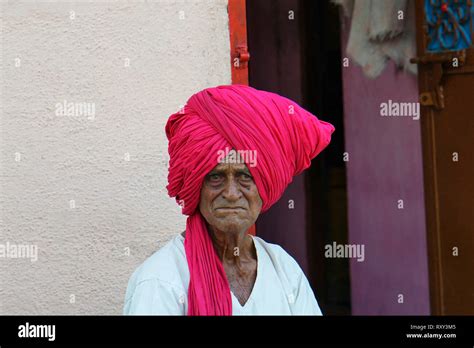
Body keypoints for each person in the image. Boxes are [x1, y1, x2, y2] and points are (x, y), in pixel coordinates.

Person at [123, 85, 334, 315]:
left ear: (264, 186)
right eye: (216, 177)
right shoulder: (161, 281)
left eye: (245, 176)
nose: (231, 194)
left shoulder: (283, 269)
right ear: (197, 187)